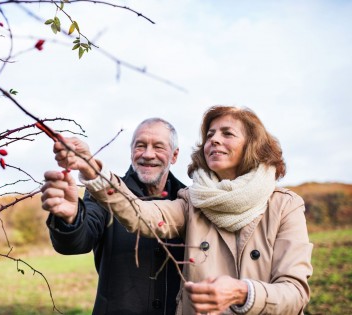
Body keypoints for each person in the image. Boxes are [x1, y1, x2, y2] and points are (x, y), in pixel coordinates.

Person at [42, 106, 314, 315]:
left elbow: (295, 291)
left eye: (227, 133)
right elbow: (140, 214)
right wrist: (91, 171)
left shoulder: (284, 205)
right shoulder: (192, 201)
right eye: (210, 135)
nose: (214, 140)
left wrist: (243, 292)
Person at [41, 118, 187, 315]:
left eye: (158, 147)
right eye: (140, 146)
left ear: (174, 155)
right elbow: (77, 242)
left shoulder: (187, 202)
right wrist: (70, 218)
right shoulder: (103, 193)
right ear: (131, 152)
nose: (147, 154)